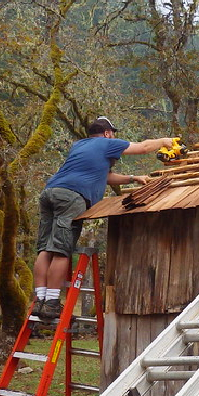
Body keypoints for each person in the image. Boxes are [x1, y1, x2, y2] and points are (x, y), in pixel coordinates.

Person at [32, 117, 175, 319]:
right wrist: (164, 141)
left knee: (46, 248)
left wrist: (133, 178)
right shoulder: (107, 143)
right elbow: (143, 147)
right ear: (108, 133)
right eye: (113, 134)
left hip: (50, 192)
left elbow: (105, 177)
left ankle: (40, 300)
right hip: (71, 196)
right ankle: (52, 303)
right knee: (61, 251)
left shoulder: (80, 145)